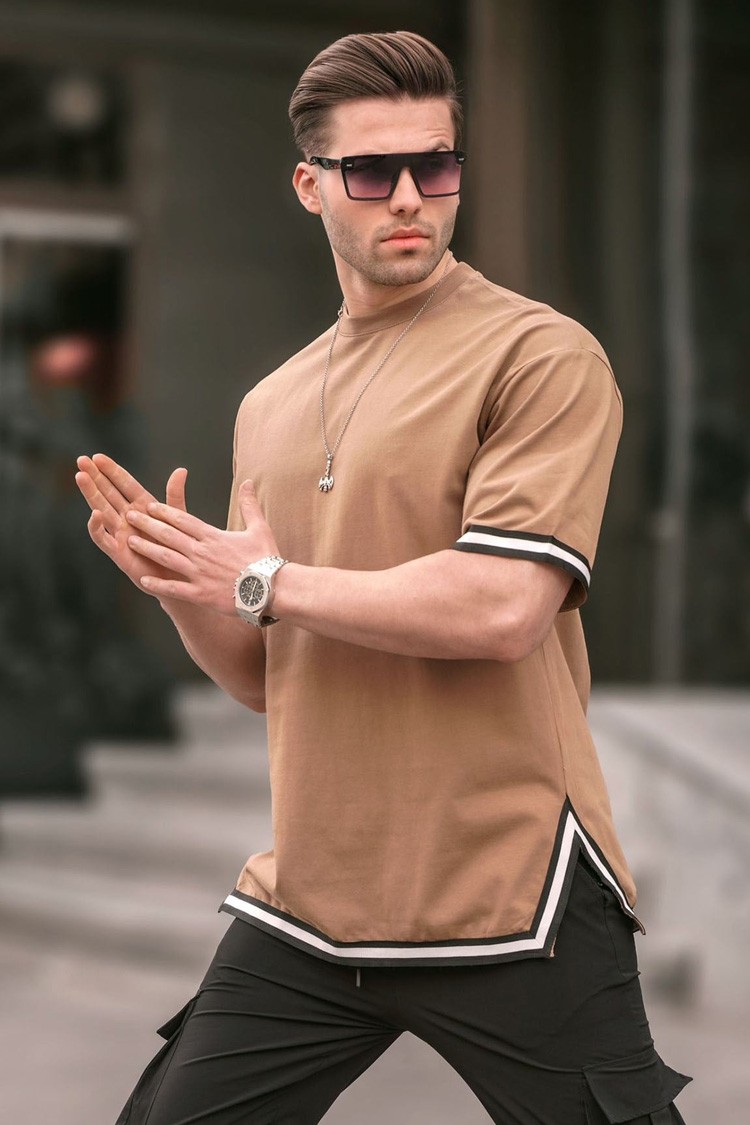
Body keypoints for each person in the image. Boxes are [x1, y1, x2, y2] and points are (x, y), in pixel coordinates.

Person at [76, 30, 692, 1125]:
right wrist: (187, 586)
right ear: (310, 185)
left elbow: (503, 607)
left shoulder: (539, 355)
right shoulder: (269, 402)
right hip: (313, 899)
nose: (409, 196)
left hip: (510, 892)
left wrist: (262, 581)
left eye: (434, 165)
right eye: (371, 171)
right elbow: (268, 677)